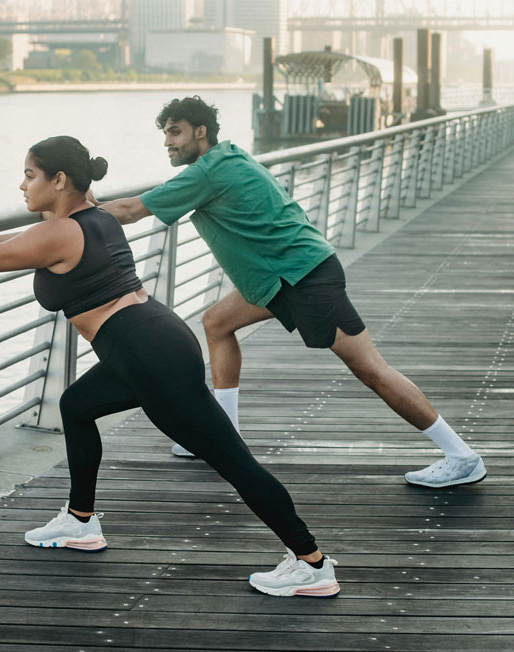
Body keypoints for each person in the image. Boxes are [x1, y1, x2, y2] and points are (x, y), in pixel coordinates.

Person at [0, 135, 340, 597]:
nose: (21, 186)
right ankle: (79, 521)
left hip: (145, 353)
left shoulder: (57, 232)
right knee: (75, 405)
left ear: (58, 180)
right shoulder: (94, 217)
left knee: (234, 462)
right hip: (151, 337)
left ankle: (311, 562)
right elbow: (21, 248)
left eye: (29, 176)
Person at [100, 96, 486, 489]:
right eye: (165, 133)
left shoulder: (208, 172)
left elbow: (131, 210)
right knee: (217, 322)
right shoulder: (229, 157)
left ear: (200, 132)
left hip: (303, 278)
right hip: (279, 277)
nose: (168, 141)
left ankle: (461, 456)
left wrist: (75, 211)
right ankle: (224, 435)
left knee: (372, 371)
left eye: (175, 132)